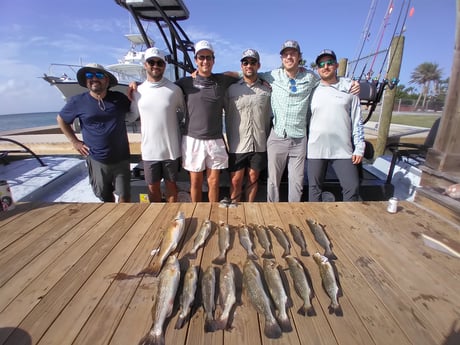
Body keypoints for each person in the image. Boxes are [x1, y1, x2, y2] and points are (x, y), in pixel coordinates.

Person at [257, 40, 359, 202]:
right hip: (277, 137)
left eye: (293, 53)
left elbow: (330, 80)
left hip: (299, 140)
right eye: (285, 54)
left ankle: (295, 215)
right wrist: (221, 76)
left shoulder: (311, 77)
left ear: (299, 57)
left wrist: (350, 82)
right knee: (273, 181)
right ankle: (273, 213)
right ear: (282, 57)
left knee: (297, 183)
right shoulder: (272, 76)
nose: (289, 57)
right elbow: (247, 74)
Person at [57, 63, 135, 202]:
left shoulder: (119, 98)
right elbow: (61, 119)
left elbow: (137, 110)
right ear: (85, 80)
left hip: (121, 158)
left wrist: (136, 89)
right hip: (96, 159)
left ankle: (123, 221)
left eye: (99, 75)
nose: (94, 79)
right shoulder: (77, 101)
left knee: (125, 195)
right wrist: (75, 142)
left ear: (107, 80)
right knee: (105, 196)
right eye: (89, 75)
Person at [175, 40, 238, 202]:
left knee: (214, 181)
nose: (205, 61)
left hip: (215, 139)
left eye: (208, 58)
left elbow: (240, 73)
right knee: (195, 182)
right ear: (196, 60)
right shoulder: (185, 83)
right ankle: (197, 212)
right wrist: (136, 85)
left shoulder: (221, 80)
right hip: (192, 140)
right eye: (201, 57)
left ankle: (213, 213)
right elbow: (162, 87)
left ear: (213, 60)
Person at [307, 49, 365, 201]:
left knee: (352, 187)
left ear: (337, 65)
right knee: (314, 189)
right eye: (321, 64)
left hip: (342, 149)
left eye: (329, 63)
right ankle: (314, 221)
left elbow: (357, 120)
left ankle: (348, 222)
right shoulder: (312, 90)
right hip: (316, 149)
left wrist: (359, 147)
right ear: (317, 69)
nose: (325, 67)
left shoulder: (350, 88)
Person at [130, 47, 186, 202]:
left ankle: (172, 217)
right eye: (151, 62)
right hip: (149, 151)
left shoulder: (175, 90)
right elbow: (131, 116)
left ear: (164, 65)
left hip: (171, 150)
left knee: (171, 185)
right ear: (145, 64)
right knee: (152, 188)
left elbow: (185, 115)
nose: (155, 65)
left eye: (159, 62)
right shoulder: (137, 91)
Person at [223, 49, 272, 202]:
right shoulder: (230, 89)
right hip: (238, 143)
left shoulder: (267, 89)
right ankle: (234, 210)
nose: (249, 65)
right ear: (241, 66)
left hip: (259, 142)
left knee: (253, 178)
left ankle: (249, 210)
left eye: (253, 62)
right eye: (246, 62)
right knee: (236, 180)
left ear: (258, 65)